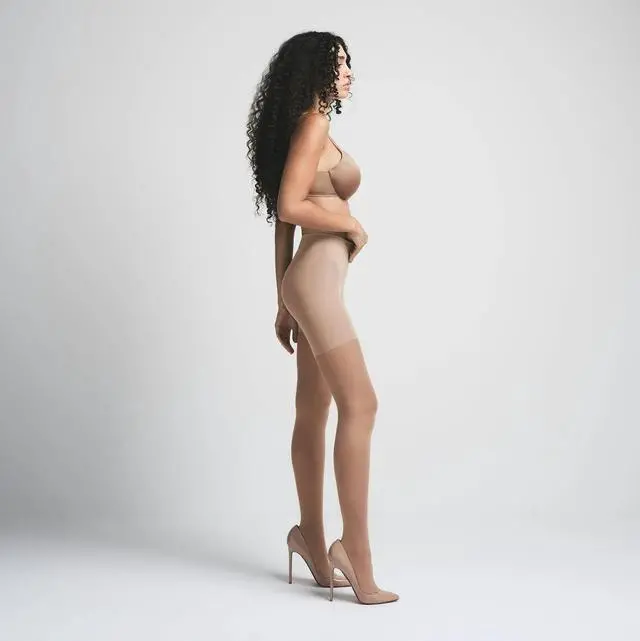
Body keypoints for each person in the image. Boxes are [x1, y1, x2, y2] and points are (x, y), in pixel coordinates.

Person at [246, 31, 399, 605]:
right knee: (362, 404)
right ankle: (354, 554)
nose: (349, 72)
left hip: (307, 283)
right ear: (315, 71)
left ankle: (309, 538)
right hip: (314, 283)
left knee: (313, 411)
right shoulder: (313, 125)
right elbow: (290, 207)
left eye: (349, 63)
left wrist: (281, 300)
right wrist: (350, 225)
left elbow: (283, 221)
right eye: (339, 64)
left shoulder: (308, 127)